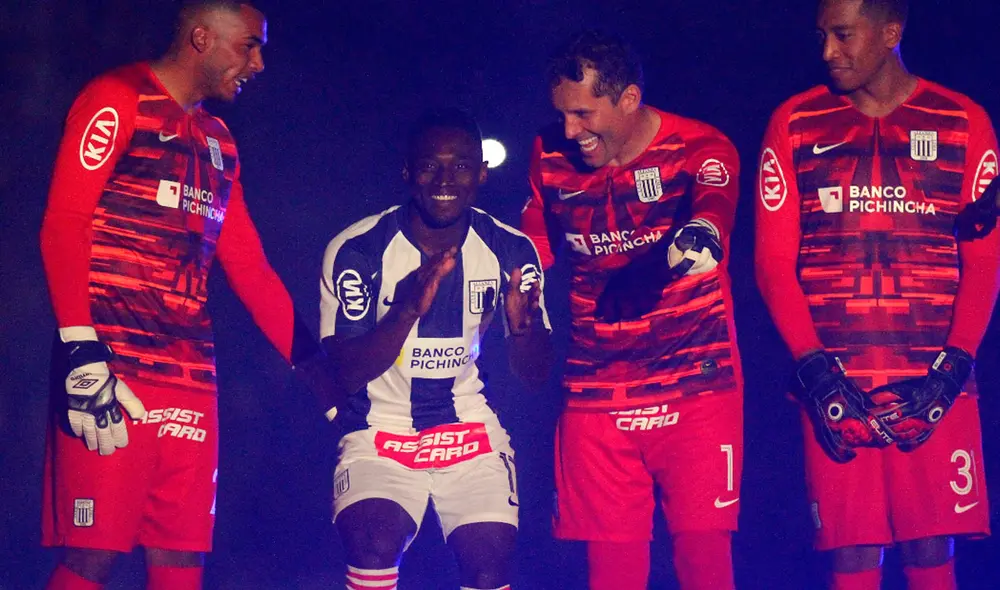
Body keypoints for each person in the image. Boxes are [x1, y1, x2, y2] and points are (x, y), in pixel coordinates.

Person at [39, 2, 339, 589]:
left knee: (180, 561)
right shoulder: (117, 97)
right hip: (108, 370)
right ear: (202, 38)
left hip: (190, 379)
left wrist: (314, 365)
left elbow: (248, 265)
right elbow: (63, 222)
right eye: (248, 46)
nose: (258, 63)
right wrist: (80, 348)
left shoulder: (219, 142)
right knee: (93, 556)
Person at [755, 0, 1000, 588]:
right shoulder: (794, 121)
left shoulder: (963, 121)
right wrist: (814, 367)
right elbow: (771, 263)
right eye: (821, 35)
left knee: (930, 542)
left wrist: (955, 363)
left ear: (892, 32)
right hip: (836, 380)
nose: (827, 53)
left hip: (933, 378)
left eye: (843, 35)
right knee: (852, 550)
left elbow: (985, 259)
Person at [521, 31, 744, 590]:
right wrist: (515, 285)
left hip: (696, 381)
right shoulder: (549, 154)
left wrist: (702, 231)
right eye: (562, 114)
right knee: (611, 575)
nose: (569, 131)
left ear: (628, 99)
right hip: (596, 391)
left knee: (704, 565)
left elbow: (713, 207)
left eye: (581, 113)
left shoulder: (700, 146)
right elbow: (533, 247)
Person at [320, 108, 552, 590]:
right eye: (430, 166)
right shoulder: (358, 250)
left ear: (482, 173)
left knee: (489, 564)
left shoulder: (511, 250)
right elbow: (342, 374)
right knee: (374, 542)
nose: (445, 180)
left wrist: (523, 330)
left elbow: (535, 375)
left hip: (465, 427)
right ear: (408, 172)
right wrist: (406, 311)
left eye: (462, 166)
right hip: (378, 431)